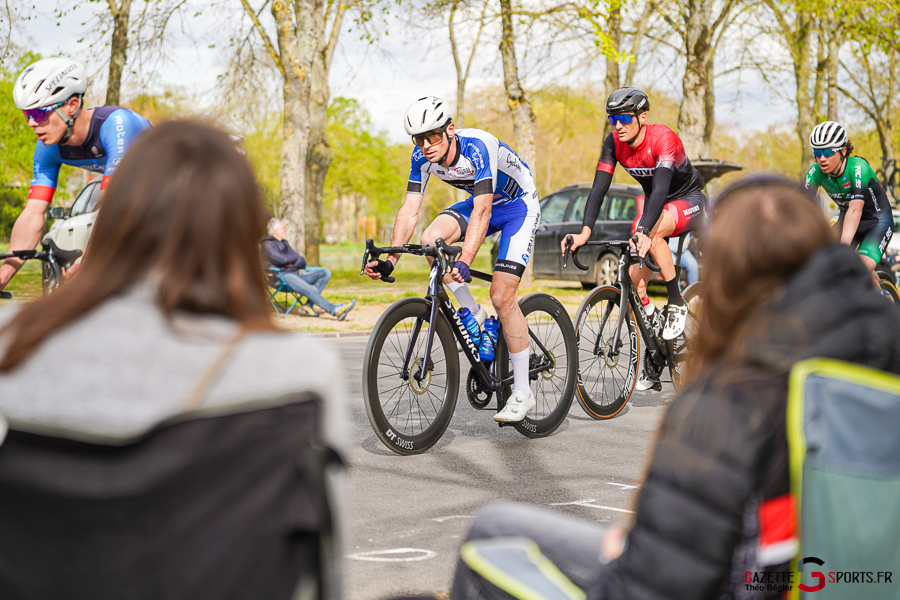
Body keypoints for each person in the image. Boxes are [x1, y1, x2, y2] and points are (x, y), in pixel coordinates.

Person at [451, 176, 900, 600]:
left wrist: (628, 555)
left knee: (493, 530)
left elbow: (652, 586)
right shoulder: (882, 367)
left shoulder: (728, 404)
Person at [0, 120, 347, 599]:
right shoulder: (299, 371)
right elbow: (322, 575)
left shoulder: (13, 347)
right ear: (240, 226)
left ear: (118, 216)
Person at [364, 96, 541, 422]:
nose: (426, 145)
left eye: (432, 135)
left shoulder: (478, 146)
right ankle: (472, 314)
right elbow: (410, 210)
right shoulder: (421, 157)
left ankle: (522, 392)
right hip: (481, 206)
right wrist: (391, 259)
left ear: (450, 129)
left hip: (518, 207)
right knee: (431, 240)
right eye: (419, 138)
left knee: (502, 296)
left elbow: (483, 210)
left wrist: (465, 259)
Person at [562, 87, 707, 392]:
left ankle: (677, 301)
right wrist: (585, 229)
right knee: (632, 276)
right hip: (658, 206)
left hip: (687, 200)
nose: (619, 125)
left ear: (643, 116)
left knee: (650, 233)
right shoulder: (614, 143)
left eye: (625, 118)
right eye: (613, 119)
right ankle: (655, 346)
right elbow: (599, 187)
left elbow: (661, 189)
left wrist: (643, 230)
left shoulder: (663, 138)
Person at [2, 57, 151, 290]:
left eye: (39, 114)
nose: (31, 123)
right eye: (27, 115)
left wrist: (88, 265)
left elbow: (113, 206)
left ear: (72, 105)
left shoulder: (118, 125)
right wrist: (4, 273)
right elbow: (33, 213)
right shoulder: (47, 148)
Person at [804, 120, 892, 286]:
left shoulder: (858, 167)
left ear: (843, 151)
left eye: (828, 152)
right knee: (825, 264)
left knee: (856, 270)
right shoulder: (815, 172)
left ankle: (881, 303)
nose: (822, 158)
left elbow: (855, 210)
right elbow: (804, 208)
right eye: (817, 152)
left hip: (877, 221)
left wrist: (843, 248)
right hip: (847, 220)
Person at [262, 218, 356, 320]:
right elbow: (283, 260)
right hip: (282, 277)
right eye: (284, 228)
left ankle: (307, 306)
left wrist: (290, 264)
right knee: (310, 289)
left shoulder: (284, 243)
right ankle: (335, 310)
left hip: (295, 275)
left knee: (325, 272)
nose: (285, 230)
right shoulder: (267, 245)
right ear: (276, 231)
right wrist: (291, 261)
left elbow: (302, 261)